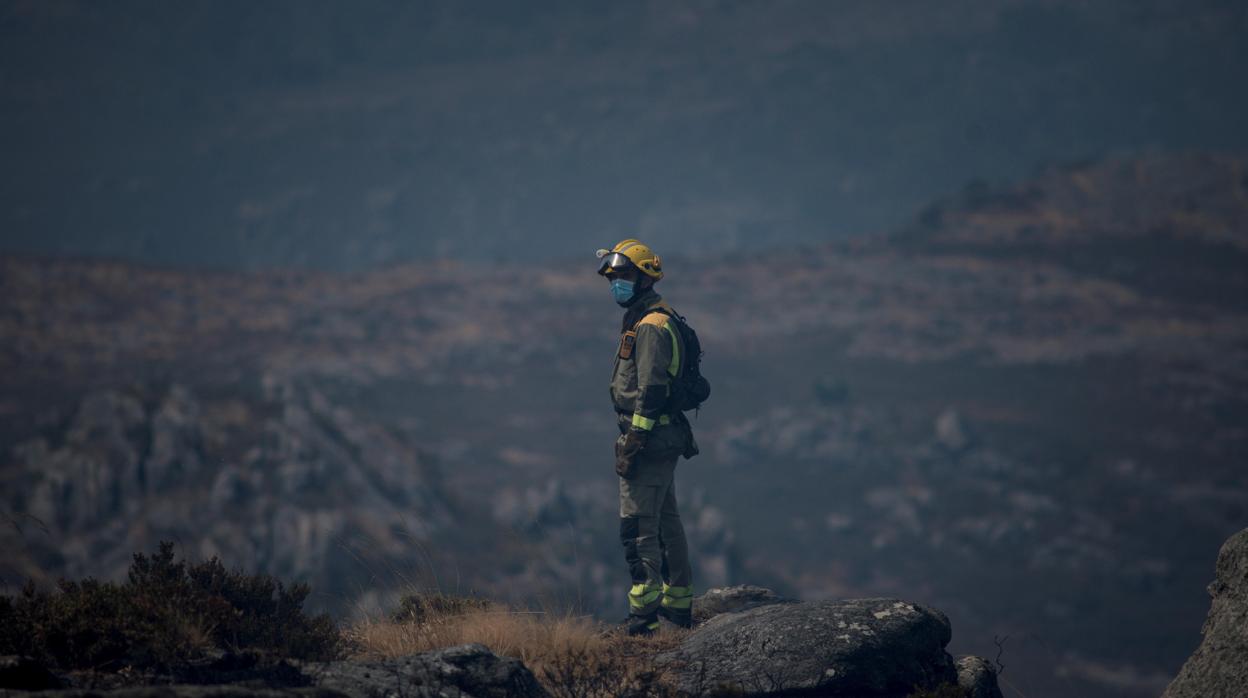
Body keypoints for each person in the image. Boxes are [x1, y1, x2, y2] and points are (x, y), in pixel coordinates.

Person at [596, 239, 696, 635]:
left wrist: (634, 440)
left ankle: (644, 617)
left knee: (637, 527)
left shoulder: (651, 326)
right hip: (664, 436)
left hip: (650, 439)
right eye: (613, 277)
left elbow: (651, 390)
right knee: (667, 522)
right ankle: (678, 607)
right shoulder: (647, 316)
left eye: (623, 276)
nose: (616, 283)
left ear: (644, 277)